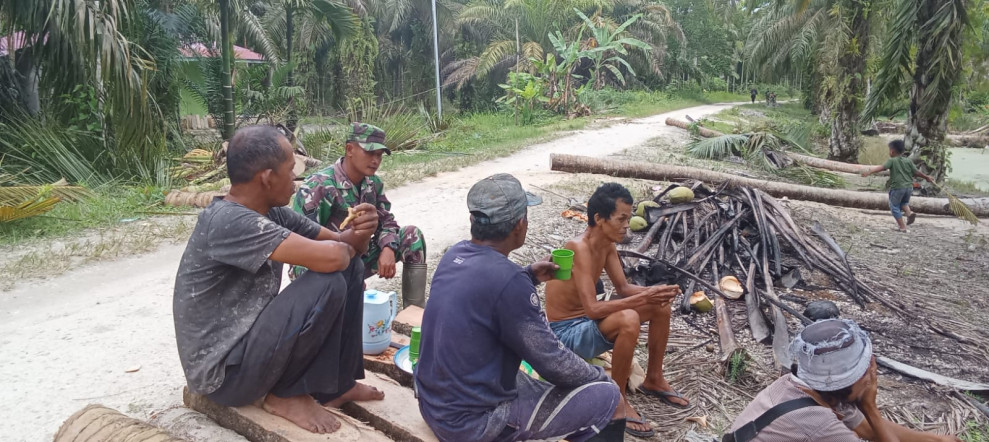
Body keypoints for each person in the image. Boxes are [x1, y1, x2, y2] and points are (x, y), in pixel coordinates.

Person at [173, 126, 385, 435]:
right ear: (267, 178)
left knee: (350, 268)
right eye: (290, 170)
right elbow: (334, 256)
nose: (296, 180)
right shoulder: (229, 221)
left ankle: (338, 384)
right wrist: (348, 245)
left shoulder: (272, 213)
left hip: (248, 348)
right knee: (328, 282)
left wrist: (365, 227)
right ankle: (285, 394)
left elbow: (343, 245)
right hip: (224, 376)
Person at [416, 174, 625, 442]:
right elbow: (553, 363)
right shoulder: (509, 282)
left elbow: (487, 290)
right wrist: (599, 377)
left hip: (433, 404)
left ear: (473, 220)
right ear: (519, 225)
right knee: (610, 398)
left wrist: (528, 275)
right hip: (471, 424)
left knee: (525, 379)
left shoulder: (454, 254)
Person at [545, 182, 686, 438]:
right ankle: (616, 400)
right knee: (628, 319)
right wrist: (645, 296)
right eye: (621, 219)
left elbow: (623, 288)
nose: (626, 225)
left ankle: (654, 378)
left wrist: (656, 293)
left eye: (628, 219)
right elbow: (592, 309)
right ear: (599, 218)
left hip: (584, 323)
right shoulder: (578, 247)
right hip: (564, 334)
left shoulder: (607, 244)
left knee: (660, 307)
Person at [725, 319, 962, 442]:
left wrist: (936, 440)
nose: (872, 376)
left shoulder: (801, 387)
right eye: (868, 369)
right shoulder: (821, 425)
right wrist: (871, 408)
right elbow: (870, 426)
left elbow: (867, 429)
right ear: (855, 379)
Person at [293, 122, 428, 307]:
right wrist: (346, 276)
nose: (375, 160)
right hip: (322, 264)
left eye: (379, 155)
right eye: (370, 153)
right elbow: (301, 244)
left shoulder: (373, 183)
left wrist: (388, 248)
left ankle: (413, 315)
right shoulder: (318, 186)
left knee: (412, 236)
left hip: (356, 256)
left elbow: (386, 221)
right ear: (350, 149)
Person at [861, 140, 934, 233]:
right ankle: (909, 213)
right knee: (904, 203)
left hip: (897, 187)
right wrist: (926, 177)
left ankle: (902, 227)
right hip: (909, 187)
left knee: (894, 206)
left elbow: (882, 167)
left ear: (892, 151)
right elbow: (916, 172)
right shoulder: (908, 161)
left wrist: (869, 172)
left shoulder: (892, 160)